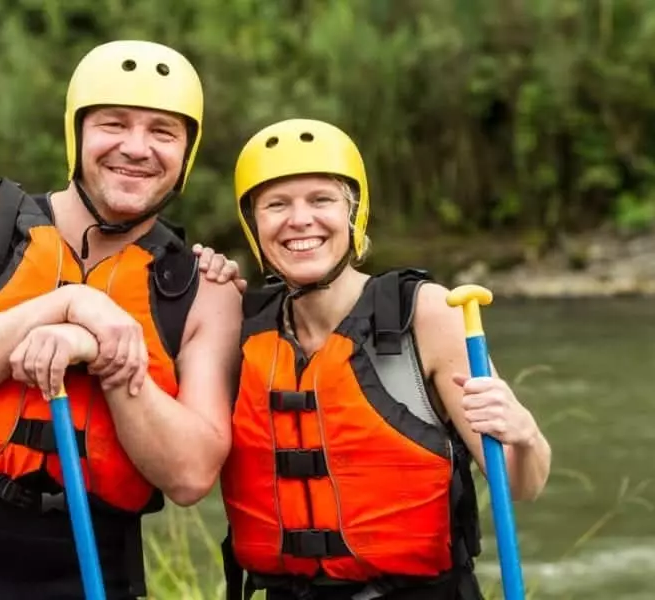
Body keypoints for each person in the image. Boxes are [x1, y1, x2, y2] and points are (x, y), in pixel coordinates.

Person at [0, 40, 246, 600]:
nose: (136, 148)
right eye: (113, 124)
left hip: (90, 565)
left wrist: (104, 354)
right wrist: (62, 305)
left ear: (187, 153)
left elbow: (191, 474)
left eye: (163, 132)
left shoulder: (204, 291)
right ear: (75, 133)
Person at [219, 119, 552, 600]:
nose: (299, 220)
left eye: (321, 200)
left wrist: (525, 434)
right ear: (254, 225)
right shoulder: (241, 328)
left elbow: (523, 485)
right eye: (276, 205)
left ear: (354, 211)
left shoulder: (428, 314)